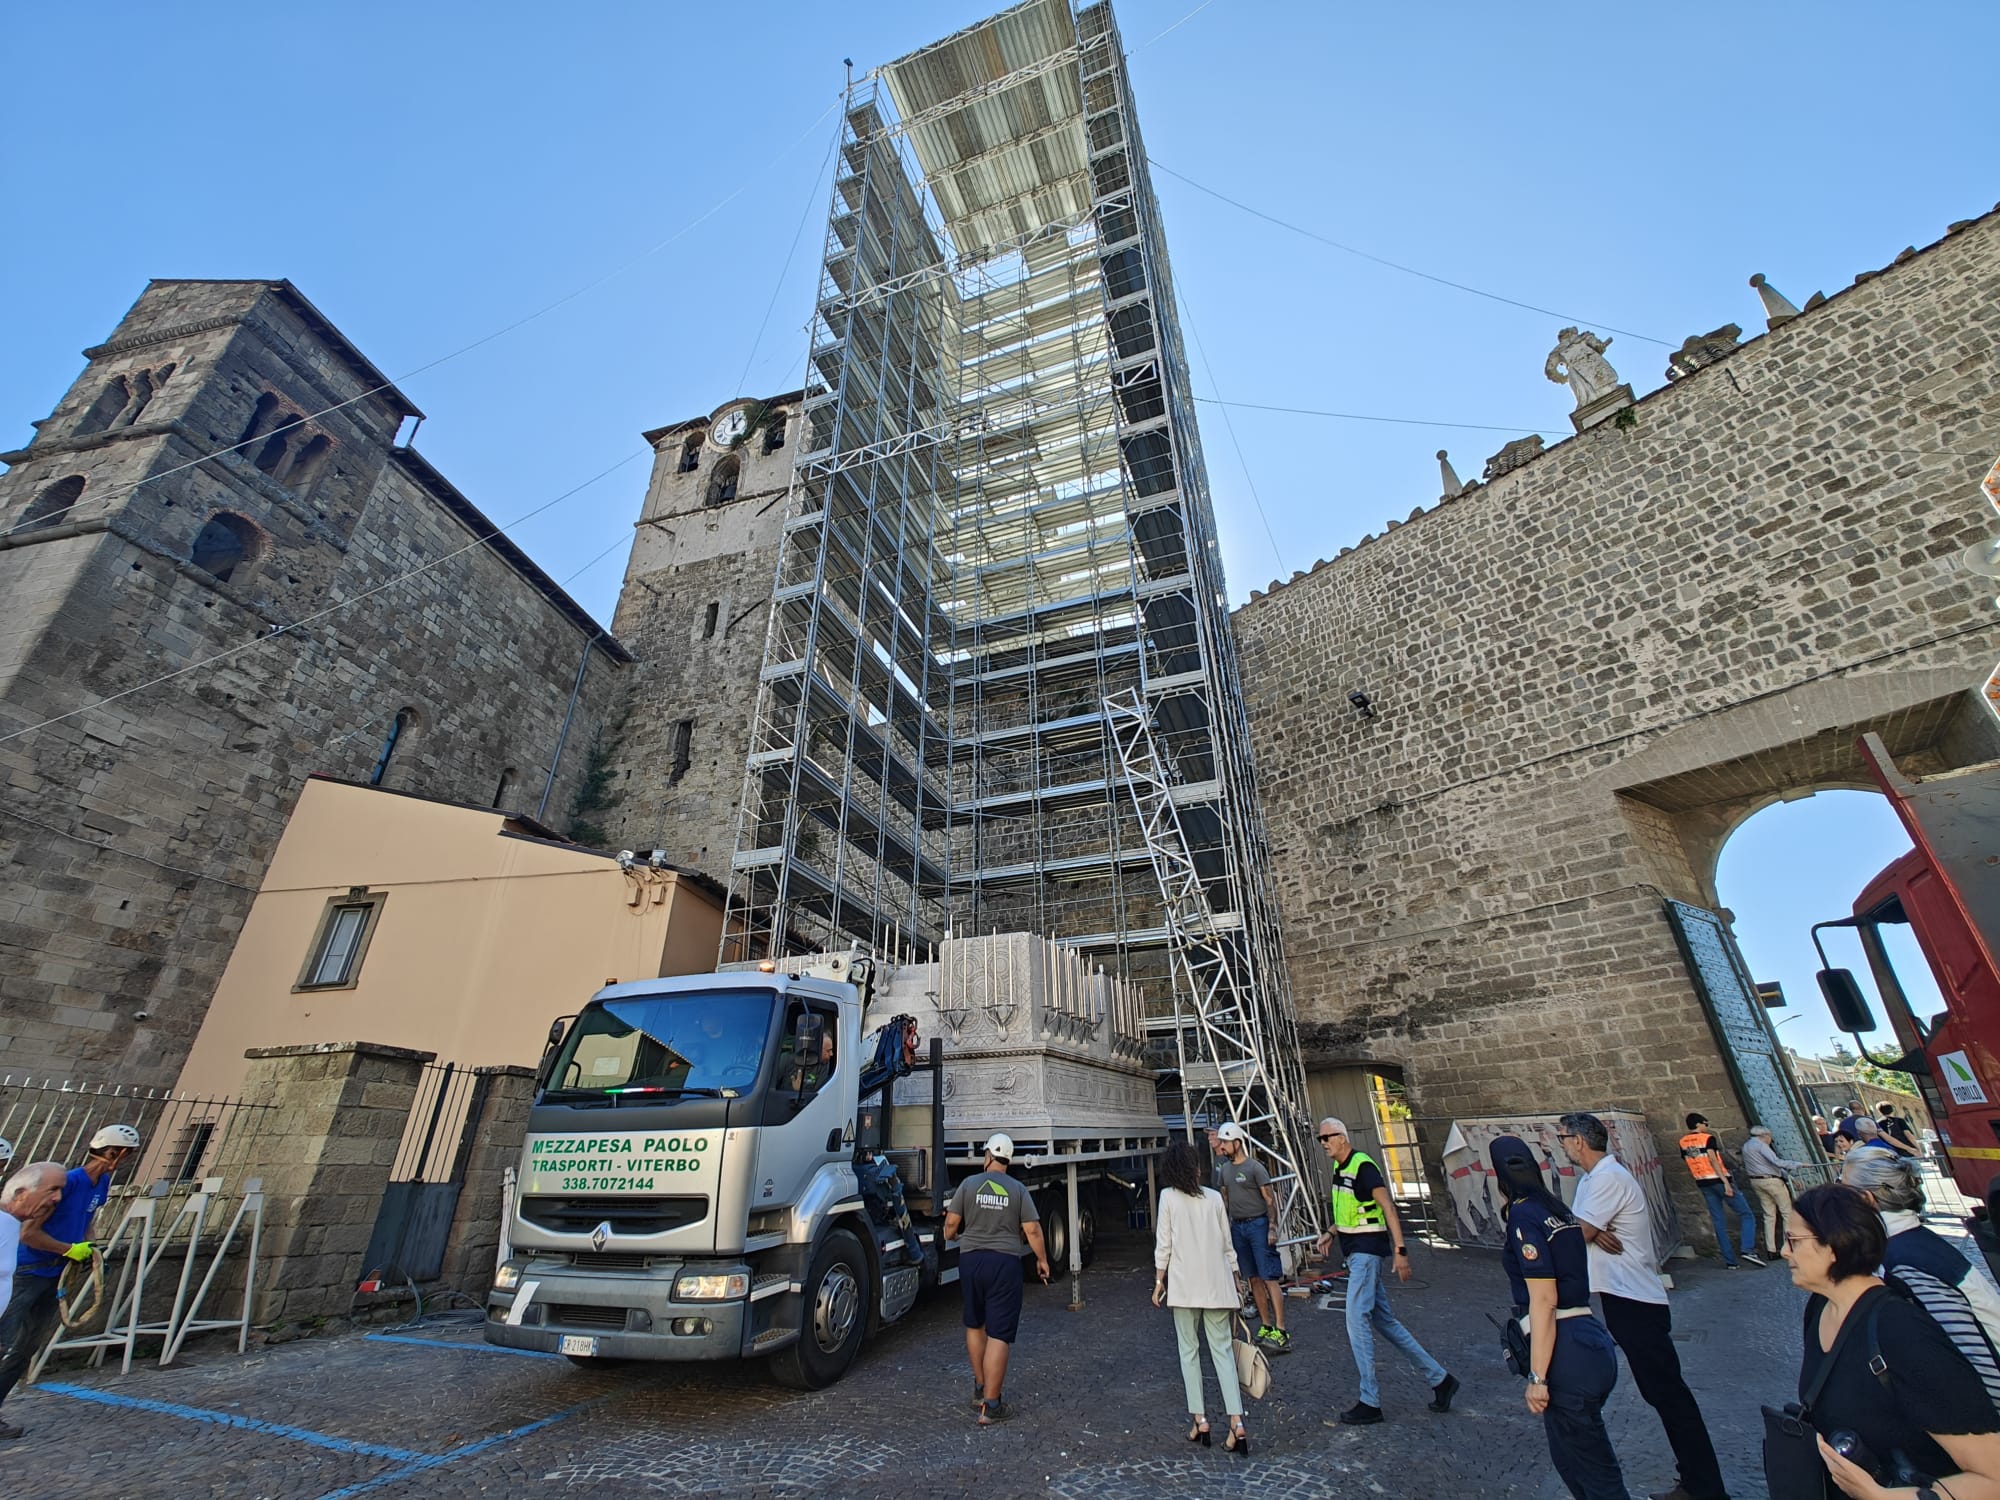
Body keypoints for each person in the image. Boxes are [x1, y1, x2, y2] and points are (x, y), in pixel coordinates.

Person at [1782, 1183, 2000, 1496]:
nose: (1783, 1251)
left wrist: (1881, 1497)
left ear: (1833, 1245)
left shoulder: (1901, 1330)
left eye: (1793, 1240)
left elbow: (1993, 1476)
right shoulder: (1821, 1307)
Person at [1557, 1112, 1726, 1500]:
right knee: (1663, 1394)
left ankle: (1706, 1488)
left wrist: (1587, 1233)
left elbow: (1574, 1233)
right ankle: (1698, 1483)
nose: (1562, 1144)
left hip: (1636, 1298)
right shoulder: (1594, 1180)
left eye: (1564, 1137)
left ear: (1579, 1141)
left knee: (1669, 1396)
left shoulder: (1607, 1178)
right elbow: (1583, 1228)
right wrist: (1593, 1234)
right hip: (1621, 1296)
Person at [1493, 1134, 1631, 1500]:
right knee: (1575, 1462)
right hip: (1590, 1336)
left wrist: (1537, 1377)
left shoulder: (1523, 1214)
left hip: (1566, 1349)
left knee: (1594, 1474)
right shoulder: (1560, 1210)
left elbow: (1544, 1298)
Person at [1312, 1117, 1456, 1425]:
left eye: (1327, 1137)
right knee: (1385, 1322)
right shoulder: (1341, 1169)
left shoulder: (1363, 1166)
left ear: (1342, 1137)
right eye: (1320, 1137)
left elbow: (1387, 1207)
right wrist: (1331, 1231)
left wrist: (1401, 1250)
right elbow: (1354, 1209)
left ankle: (1370, 1400)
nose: (1323, 1142)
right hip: (1355, 1252)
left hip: (1367, 1253)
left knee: (1355, 1319)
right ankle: (1440, 1378)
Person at [0, 1124, 141, 1439]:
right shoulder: (68, 1183)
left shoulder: (101, 1183)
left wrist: (89, 1247)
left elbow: (88, 1221)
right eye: (121, 1153)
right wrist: (70, 1249)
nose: (123, 1159)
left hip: (54, 1275)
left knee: (25, 1349)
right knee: (3, 1343)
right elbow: (29, 1233)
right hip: (27, 1274)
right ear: (109, 1152)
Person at [1842, 1150, 2000, 1407]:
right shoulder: (1911, 1241)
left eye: (1842, 1186)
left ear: (1866, 1198)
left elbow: (1972, 1354)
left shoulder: (1901, 1260)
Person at [942, 1132, 1050, 1426]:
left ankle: (979, 1388)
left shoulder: (968, 1185)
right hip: (1004, 1264)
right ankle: (991, 1405)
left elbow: (951, 1223)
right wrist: (1041, 1260)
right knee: (999, 1333)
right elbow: (1033, 1230)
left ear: (988, 1156)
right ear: (1008, 1160)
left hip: (971, 1261)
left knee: (975, 1323)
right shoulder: (1017, 1190)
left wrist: (951, 1236)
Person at [1152, 1137, 1250, 1455]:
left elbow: (1163, 1244)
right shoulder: (1213, 1199)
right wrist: (1236, 1277)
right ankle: (1237, 1422)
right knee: (1222, 1353)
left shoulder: (1167, 1198)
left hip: (1184, 1287)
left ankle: (1201, 1419)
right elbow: (1226, 1243)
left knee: (1189, 1353)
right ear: (1197, 1169)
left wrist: (1158, 1280)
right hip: (1218, 1286)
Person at [1214, 1123, 1289, 1351]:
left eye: (1225, 1142)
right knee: (1253, 1278)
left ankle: (1281, 1329)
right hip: (1238, 1227)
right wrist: (1225, 1228)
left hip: (1258, 1224)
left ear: (1237, 1142)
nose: (1222, 1147)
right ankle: (1265, 1325)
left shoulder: (1255, 1168)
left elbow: (1269, 1200)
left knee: (1269, 1277)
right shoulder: (1224, 1172)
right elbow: (1224, 1200)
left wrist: (1272, 1227)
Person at [1678, 1113, 1763, 1268]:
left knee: (1718, 1221)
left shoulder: (1683, 1142)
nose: (1706, 1126)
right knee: (1746, 1214)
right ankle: (1747, 1249)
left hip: (1703, 1182)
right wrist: (1726, 1183)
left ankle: (1730, 1261)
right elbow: (1713, 1160)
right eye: (1705, 1123)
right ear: (1698, 1124)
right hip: (1718, 1180)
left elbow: (1690, 1161)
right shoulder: (1707, 1138)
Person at [0, 1165, 66, 1332]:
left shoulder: (11, 1224)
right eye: (52, 1190)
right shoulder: (3, 1223)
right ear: (20, 1194)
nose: (58, 1198)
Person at [1743, 1125, 1814, 1259]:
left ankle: (1771, 1249)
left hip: (1756, 1181)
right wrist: (1798, 1164)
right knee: (1787, 1212)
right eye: (1770, 1137)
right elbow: (1776, 1162)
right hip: (1771, 1181)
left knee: (1769, 1215)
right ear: (1765, 1136)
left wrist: (1790, 1178)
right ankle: (1788, 1246)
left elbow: (1769, 1165)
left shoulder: (1746, 1146)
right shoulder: (1761, 1146)